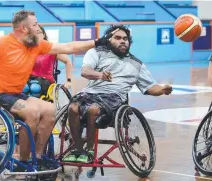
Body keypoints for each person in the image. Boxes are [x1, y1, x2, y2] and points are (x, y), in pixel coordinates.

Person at [0, 10, 116, 171]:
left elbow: (68, 47)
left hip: (14, 94)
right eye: (34, 25)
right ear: (24, 28)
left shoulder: (35, 45)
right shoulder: (0, 44)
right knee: (32, 112)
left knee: (49, 109)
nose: (38, 27)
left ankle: (38, 157)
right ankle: (24, 161)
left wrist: (97, 42)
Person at [64, 25, 173, 163]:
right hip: (90, 93)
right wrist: (100, 75)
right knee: (72, 107)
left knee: (93, 109)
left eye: (125, 39)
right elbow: (85, 71)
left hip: (114, 99)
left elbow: (150, 88)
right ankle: (78, 149)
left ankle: (90, 151)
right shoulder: (97, 52)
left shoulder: (137, 64)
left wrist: (163, 90)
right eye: (118, 38)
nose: (123, 41)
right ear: (108, 40)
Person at [31, 25, 72, 89]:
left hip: (46, 84)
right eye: (34, 33)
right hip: (31, 82)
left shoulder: (51, 49)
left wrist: (68, 80)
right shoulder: (27, 50)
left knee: (35, 88)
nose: (37, 35)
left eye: (39, 32)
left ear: (44, 35)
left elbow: (68, 61)